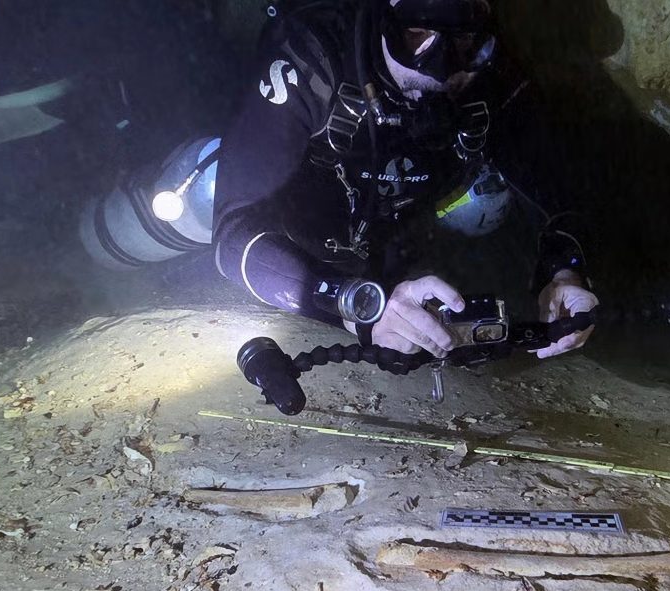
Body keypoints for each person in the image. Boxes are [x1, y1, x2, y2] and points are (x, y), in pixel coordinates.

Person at [210, 0, 599, 359]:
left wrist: (564, 269)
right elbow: (232, 233)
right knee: (195, 199)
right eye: (416, 37)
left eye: (463, 39)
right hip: (293, 222)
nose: (442, 65)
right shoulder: (313, 59)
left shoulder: (497, 75)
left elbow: (561, 185)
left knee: (488, 201)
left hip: (399, 229)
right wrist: (359, 306)